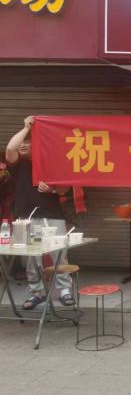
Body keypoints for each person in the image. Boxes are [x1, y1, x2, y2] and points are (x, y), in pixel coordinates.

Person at [5, 116, 75, 309]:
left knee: (59, 254)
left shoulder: (50, 162)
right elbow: (10, 149)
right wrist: (25, 128)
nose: (23, 144)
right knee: (31, 258)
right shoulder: (18, 165)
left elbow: (65, 188)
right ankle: (37, 292)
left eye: (28, 141)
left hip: (53, 216)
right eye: (23, 141)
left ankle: (65, 291)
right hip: (26, 219)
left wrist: (53, 189)